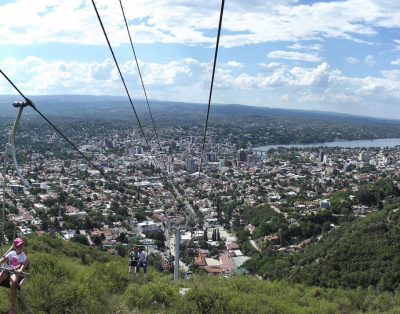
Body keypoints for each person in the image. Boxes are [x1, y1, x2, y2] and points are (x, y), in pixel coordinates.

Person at [0, 238, 29, 314]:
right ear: (15, 247)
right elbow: (3, 260)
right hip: (7, 270)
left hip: (14, 272)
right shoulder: (11, 253)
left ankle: (12, 306)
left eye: (22, 246)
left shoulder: (23, 256)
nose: (21, 247)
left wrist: (19, 269)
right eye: (19, 246)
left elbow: (22, 265)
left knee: (13, 283)